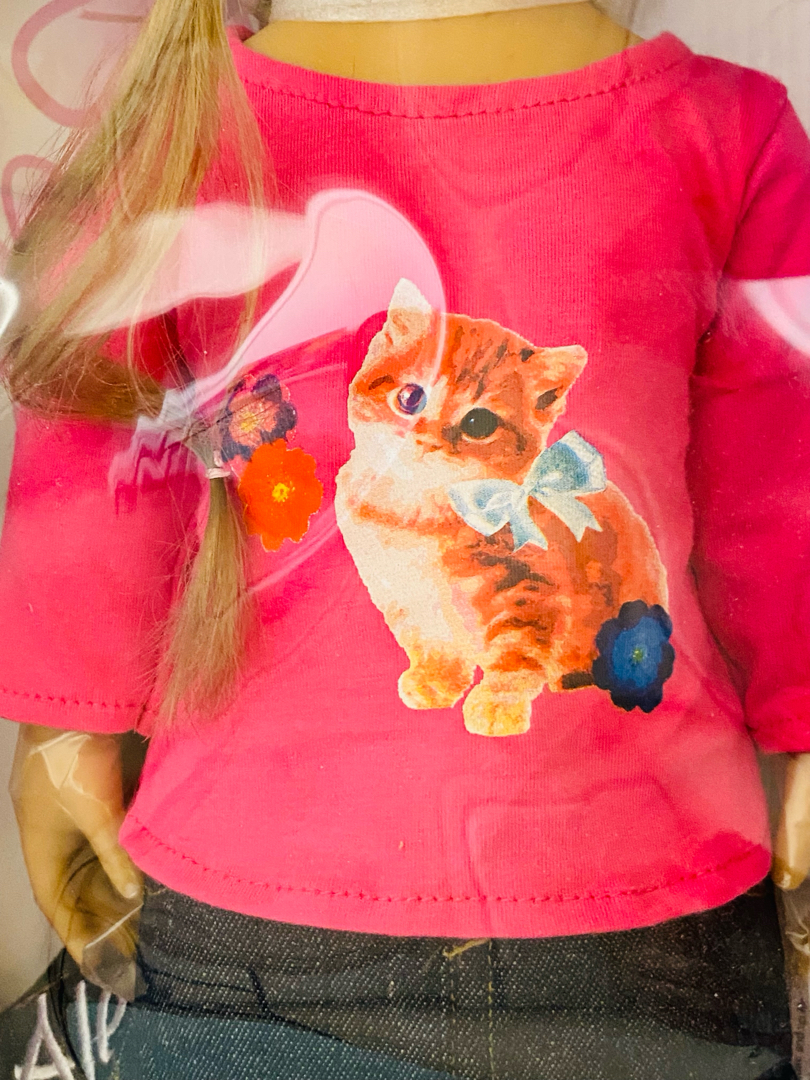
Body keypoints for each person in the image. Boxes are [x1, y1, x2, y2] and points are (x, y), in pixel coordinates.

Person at [2, 1, 810, 1077]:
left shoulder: (179, 123)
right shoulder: (721, 128)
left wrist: (62, 739)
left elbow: (98, 461)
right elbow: (780, 483)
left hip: (362, 905)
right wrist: (65, 725)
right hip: (607, 901)